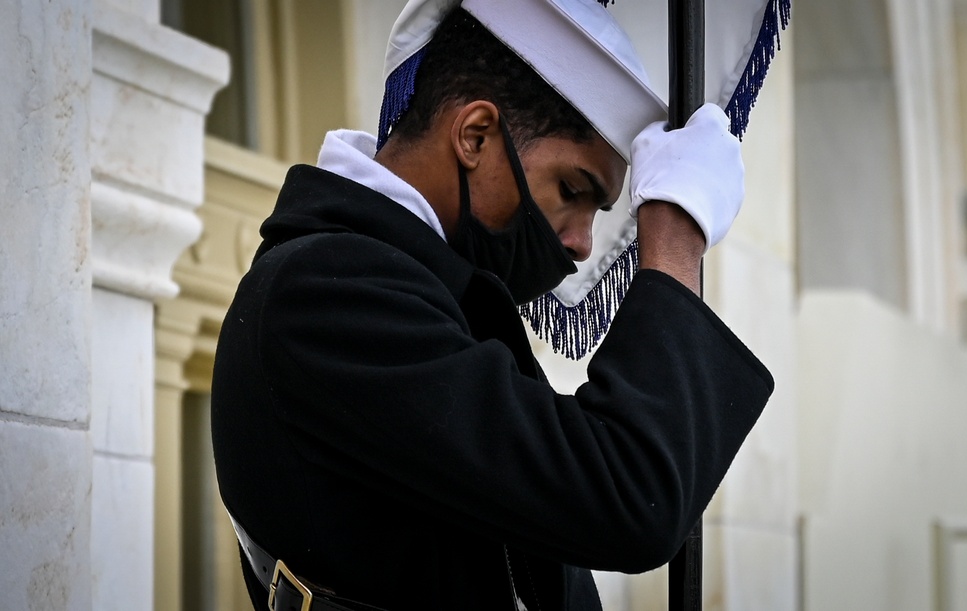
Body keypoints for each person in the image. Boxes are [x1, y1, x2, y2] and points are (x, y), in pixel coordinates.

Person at [211, 1, 773, 610]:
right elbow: (630, 497)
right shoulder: (325, 290)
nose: (582, 244)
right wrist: (674, 242)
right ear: (475, 134)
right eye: (573, 190)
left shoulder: (423, 288)